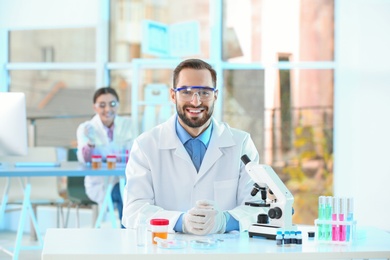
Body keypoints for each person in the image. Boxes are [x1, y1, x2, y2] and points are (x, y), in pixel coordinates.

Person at [122, 59, 262, 235]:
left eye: (204, 92)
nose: (196, 102)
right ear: (173, 95)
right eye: (186, 92)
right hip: (167, 249)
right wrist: (181, 222)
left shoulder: (241, 143)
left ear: (215, 95)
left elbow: (258, 207)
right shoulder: (146, 146)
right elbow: (133, 210)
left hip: (225, 251)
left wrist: (225, 221)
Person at [77, 87, 134, 226]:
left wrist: (107, 157)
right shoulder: (86, 128)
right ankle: (125, 232)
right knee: (124, 193)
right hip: (99, 183)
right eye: (102, 105)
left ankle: (127, 231)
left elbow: (133, 153)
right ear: (95, 107)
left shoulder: (127, 124)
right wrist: (90, 143)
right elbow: (84, 160)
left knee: (129, 191)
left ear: (118, 105)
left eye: (112, 104)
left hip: (123, 179)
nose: (108, 109)